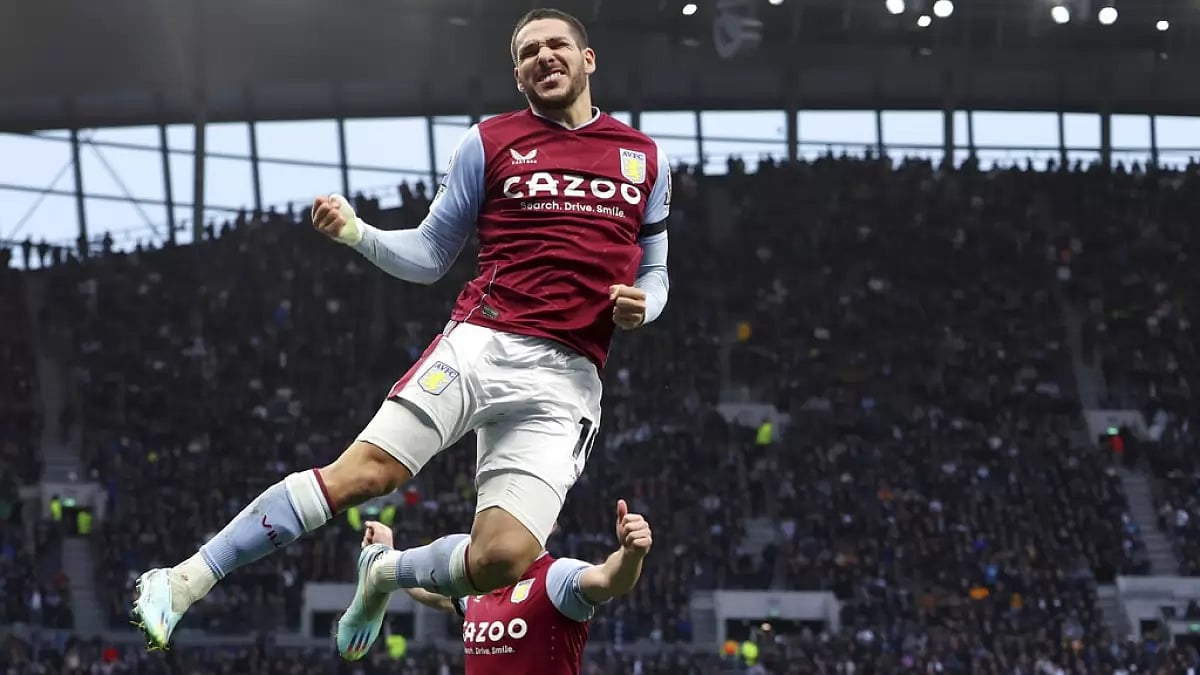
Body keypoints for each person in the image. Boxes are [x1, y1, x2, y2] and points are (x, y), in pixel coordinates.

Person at [130, 6, 672, 658]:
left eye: (556, 45)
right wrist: (358, 233)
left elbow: (657, 271)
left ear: (587, 60)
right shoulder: (489, 142)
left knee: (501, 560)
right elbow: (430, 254)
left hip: (569, 381)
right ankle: (184, 580)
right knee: (365, 474)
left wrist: (646, 305)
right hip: (483, 343)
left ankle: (383, 572)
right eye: (528, 52)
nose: (543, 56)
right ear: (519, 76)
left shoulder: (644, 158)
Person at [360, 498, 652, 674]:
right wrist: (389, 556)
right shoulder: (476, 585)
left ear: (550, 525)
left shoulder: (556, 577)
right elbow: (428, 591)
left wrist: (630, 554)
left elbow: (609, 579)